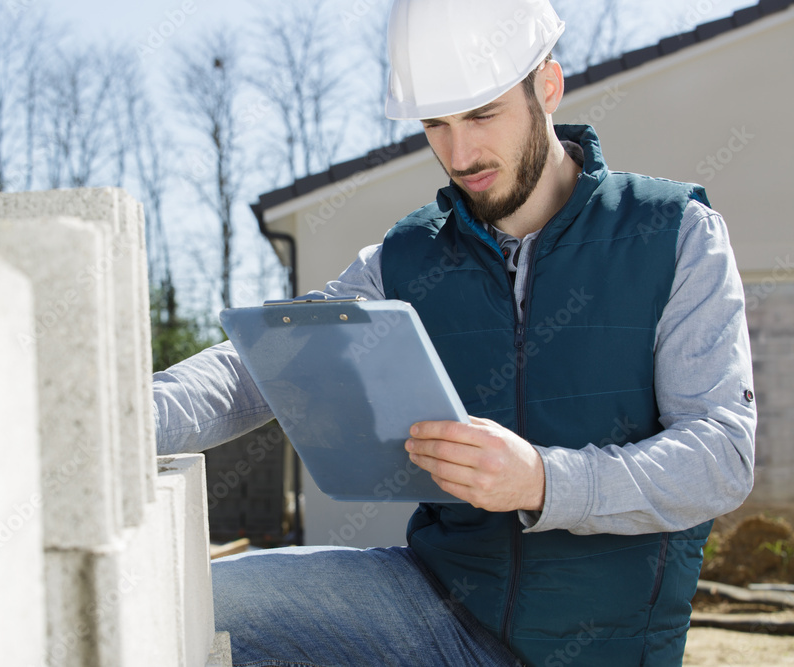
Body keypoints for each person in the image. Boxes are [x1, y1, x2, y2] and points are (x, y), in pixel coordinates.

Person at [153, 0, 756, 664]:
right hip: (438, 610)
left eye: (481, 114)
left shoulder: (673, 234)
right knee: (190, 602)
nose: (459, 153)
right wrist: (121, 418)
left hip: (603, 647)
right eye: (436, 123)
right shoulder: (406, 258)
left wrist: (544, 481)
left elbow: (721, 456)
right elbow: (260, 365)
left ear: (547, 86)